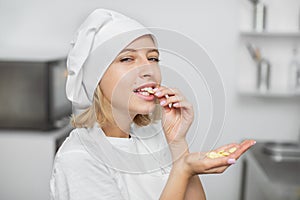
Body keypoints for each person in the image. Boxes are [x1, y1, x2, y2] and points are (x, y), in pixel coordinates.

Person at [50, 8, 256, 200]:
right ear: (95, 78)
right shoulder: (79, 158)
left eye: (153, 58)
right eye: (128, 59)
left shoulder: (150, 140)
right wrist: (183, 170)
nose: (149, 69)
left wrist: (179, 147)